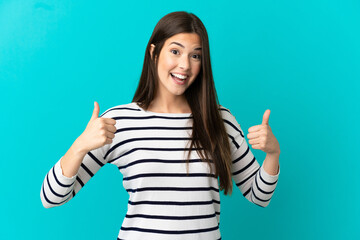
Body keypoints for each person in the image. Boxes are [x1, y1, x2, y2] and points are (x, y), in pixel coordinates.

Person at [40, 11, 280, 240]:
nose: (185, 65)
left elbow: (259, 195)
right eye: (175, 51)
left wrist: (272, 154)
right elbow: (51, 197)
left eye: (195, 55)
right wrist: (79, 146)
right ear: (154, 52)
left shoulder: (220, 120)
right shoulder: (120, 121)